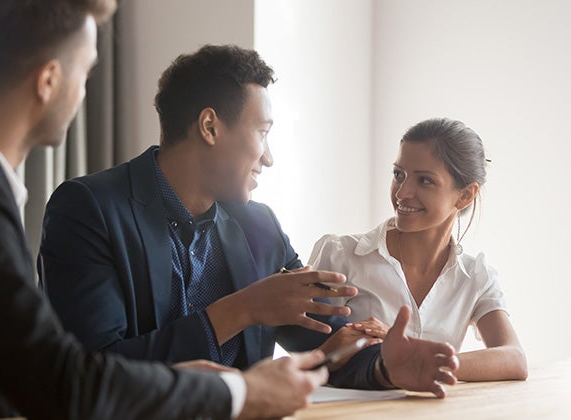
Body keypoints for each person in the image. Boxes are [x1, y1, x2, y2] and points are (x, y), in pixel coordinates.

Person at [0, 1, 333, 419]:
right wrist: (235, 392)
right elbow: (63, 382)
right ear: (48, 80)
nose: (84, 92)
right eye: (85, 72)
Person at [39, 45, 459, 397]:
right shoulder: (88, 209)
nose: (269, 157)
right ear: (210, 127)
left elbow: (326, 348)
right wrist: (241, 310)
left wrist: (386, 367)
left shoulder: (261, 225)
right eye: (263, 132)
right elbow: (92, 372)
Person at [309, 117, 528, 382]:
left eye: (424, 181)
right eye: (398, 174)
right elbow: (307, 360)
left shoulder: (476, 276)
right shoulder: (340, 256)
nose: (402, 193)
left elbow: (513, 359)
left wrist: (413, 358)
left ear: (465, 195)